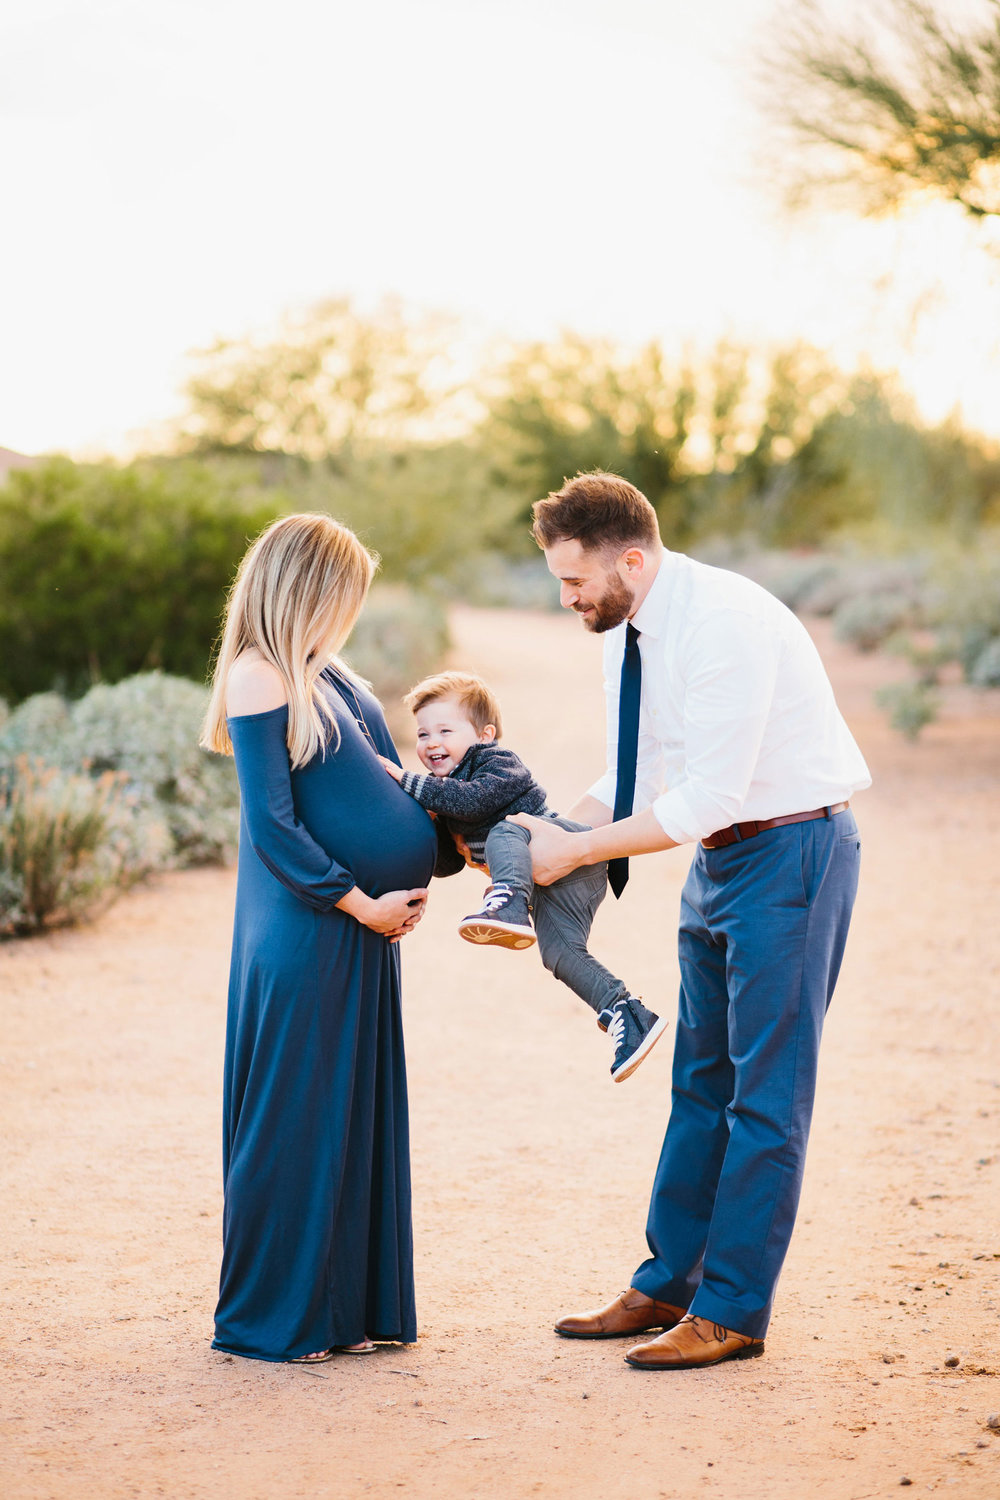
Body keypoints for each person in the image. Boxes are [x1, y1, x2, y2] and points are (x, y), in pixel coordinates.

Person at [509, 472, 870, 1371]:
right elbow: (634, 781)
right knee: (700, 1080)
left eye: (575, 580)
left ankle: (735, 1310)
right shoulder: (618, 634)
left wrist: (573, 857)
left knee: (766, 1094)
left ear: (631, 557)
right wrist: (543, 838)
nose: (567, 598)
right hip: (717, 861)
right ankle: (669, 1283)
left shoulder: (726, 626)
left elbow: (706, 794)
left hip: (791, 855)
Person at [200, 513, 437, 1364]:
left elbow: (380, 782)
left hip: (361, 930)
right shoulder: (261, 675)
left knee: (350, 1117)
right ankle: (273, 1319)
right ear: (307, 586)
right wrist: (358, 901)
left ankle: (345, 1313)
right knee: (295, 1121)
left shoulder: (326, 671)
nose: (350, 611)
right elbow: (273, 824)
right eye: (343, 593)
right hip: (310, 930)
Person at [379, 670, 668, 1082]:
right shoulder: (445, 796)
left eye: (444, 730)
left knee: (509, 826)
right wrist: (425, 822)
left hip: (568, 854)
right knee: (559, 953)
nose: (431, 743)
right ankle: (629, 1013)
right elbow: (448, 864)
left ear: (484, 734)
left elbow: (474, 801)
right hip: (550, 887)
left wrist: (408, 782)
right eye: (422, 734)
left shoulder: (497, 763)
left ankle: (509, 902)